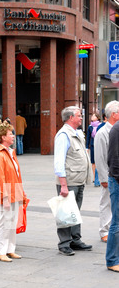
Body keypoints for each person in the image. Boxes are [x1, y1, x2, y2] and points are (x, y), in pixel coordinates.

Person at [54, 106, 92, 256]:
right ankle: (64, 243)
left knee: (75, 212)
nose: (81, 118)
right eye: (79, 115)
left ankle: (75, 240)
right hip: (69, 182)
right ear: (70, 118)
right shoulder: (63, 135)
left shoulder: (76, 133)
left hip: (78, 180)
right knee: (65, 213)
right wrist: (63, 184)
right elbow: (59, 161)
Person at [0, 119, 26, 262]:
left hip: (15, 192)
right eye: (10, 134)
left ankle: (10, 249)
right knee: (3, 223)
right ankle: (0, 251)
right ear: (3, 137)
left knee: (12, 223)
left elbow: (17, 175)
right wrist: (4, 197)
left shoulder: (11, 152)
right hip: (5, 195)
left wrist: (21, 193)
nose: (13, 136)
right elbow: (0, 177)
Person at [94, 101, 119, 243]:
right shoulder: (103, 132)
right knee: (106, 202)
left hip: (116, 174)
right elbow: (99, 157)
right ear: (114, 114)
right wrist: (103, 177)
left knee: (114, 203)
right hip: (109, 175)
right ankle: (104, 230)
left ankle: (112, 228)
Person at [106, 119, 119, 273]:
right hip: (117, 181)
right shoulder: (116, 129)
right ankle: (112, 260)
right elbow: (113, 159)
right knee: (116, 222)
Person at [86, 111, 101, 187]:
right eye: (92, 116)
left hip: (99, 145)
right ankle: (95, 177)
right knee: (93, 162)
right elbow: (88, 137)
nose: (92, 117)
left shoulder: (100, 126)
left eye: (94, 116)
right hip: (92, 145)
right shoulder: (90, 127)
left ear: (97, 117)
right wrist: (87, 147)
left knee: (99, 161)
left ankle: (99, 177)